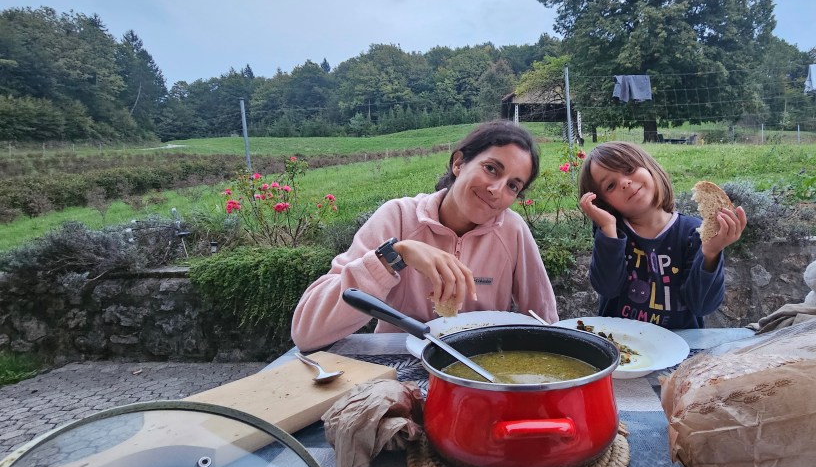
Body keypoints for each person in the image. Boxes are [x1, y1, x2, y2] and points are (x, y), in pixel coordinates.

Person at [292, 121, 558, 350]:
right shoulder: (397, 217)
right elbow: (306, 333)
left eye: (513, 185)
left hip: (481, 371)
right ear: (459, 163)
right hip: (396, 370)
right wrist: (395, 255)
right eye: (491, 169)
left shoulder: (512, 231)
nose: (497, 190)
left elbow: (544, 322)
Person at [577, 141, 746, 330]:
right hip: (623, 349)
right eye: (610, 186)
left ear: (649, 167)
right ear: (604, 203)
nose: (625, 183)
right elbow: (607, 287)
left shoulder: (693, 233)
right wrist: (607, 227)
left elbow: (702, 306)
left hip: (682, 350)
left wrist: (712, 253)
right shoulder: (612, 235)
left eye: (629, 169)